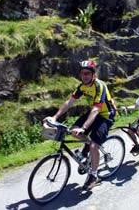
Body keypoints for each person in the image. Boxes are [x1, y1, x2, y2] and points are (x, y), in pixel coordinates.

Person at [44, 60, 116, 190]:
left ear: (93, 74)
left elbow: (96, 110)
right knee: (72, 131)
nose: (84, 76)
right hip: (94, 112)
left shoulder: (100, 85)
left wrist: (84, 128)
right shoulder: (82, 86)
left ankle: (94, 176)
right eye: (82, 73)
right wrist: (54, 117)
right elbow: (69, 102)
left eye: (87, 73)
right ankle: (87, 146)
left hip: (106, 115)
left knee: (94, 145)